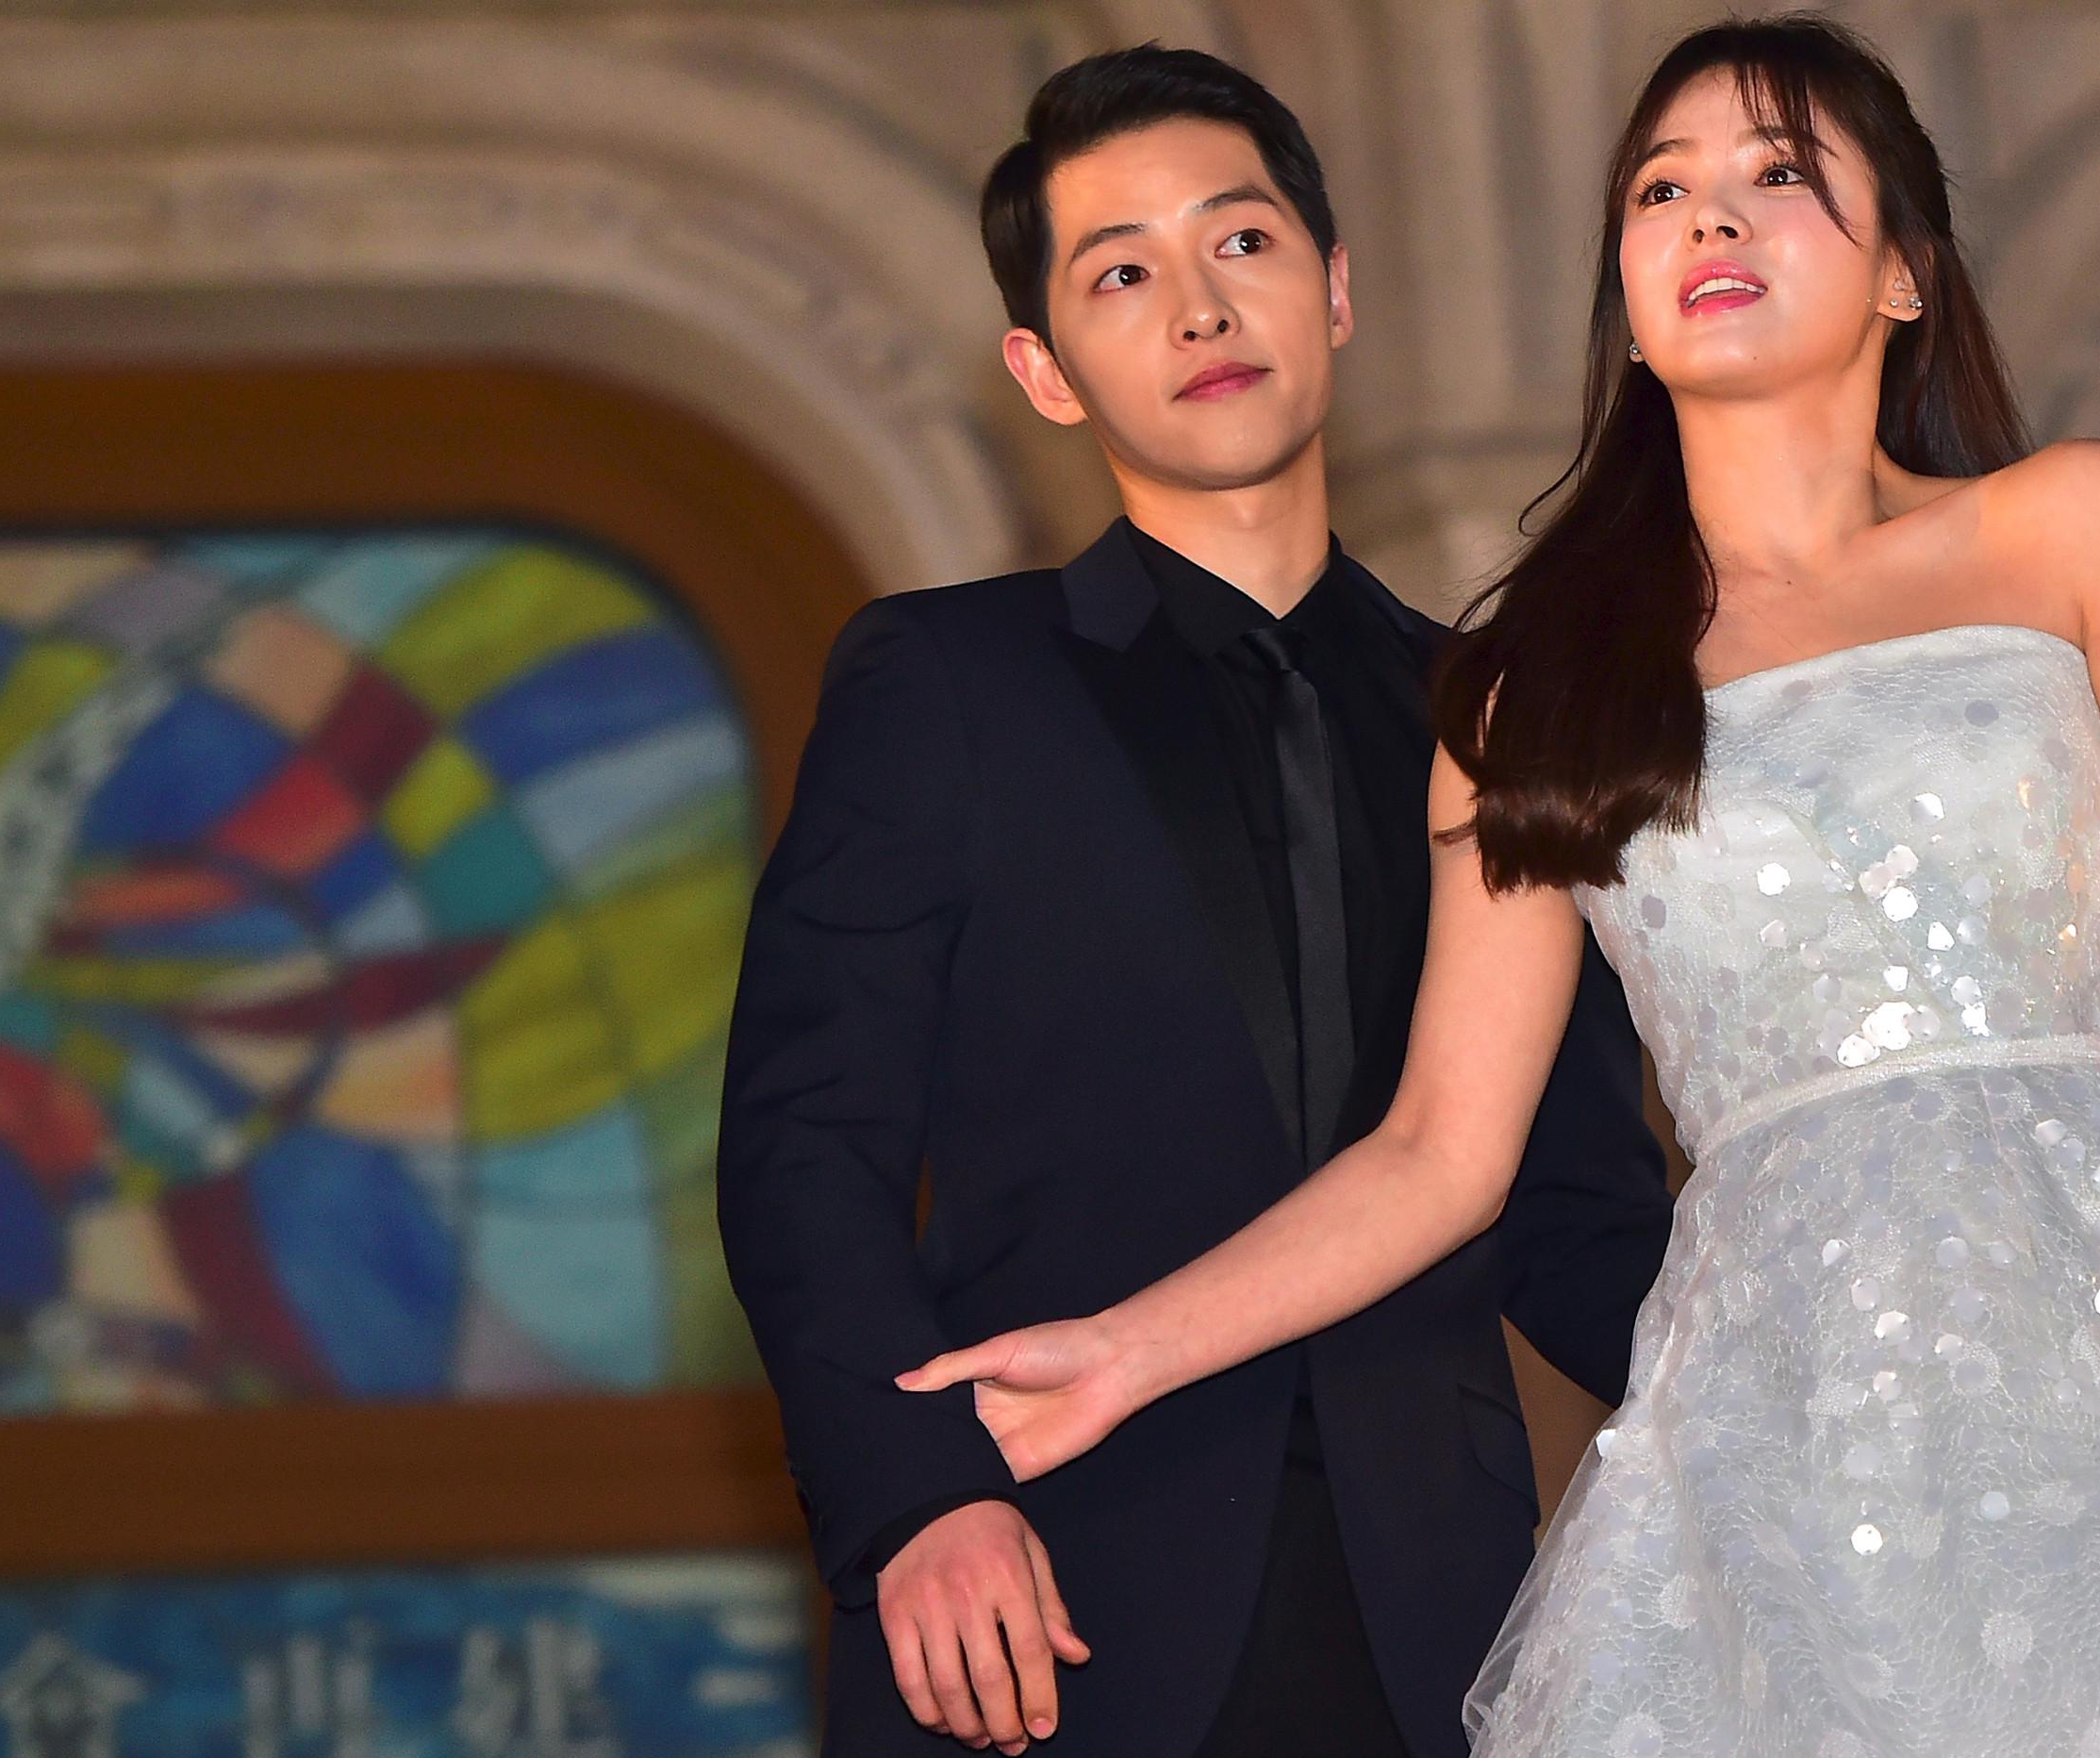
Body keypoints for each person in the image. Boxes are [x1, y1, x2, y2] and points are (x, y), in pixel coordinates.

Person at [900, 15, 2100, 1757]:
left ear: (1906, 270)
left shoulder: (2076, 527)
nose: (1713, 220)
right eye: (1665, 190)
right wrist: (1126, 1349)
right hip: (1784, 1400)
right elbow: (1441, 1155)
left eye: (1780, 177)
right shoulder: (1524, 685)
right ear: (1623, 289)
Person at [716, 44, 1677, 1758]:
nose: (1198, 308)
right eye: (1121, 274)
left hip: (1434, 1622)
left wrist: (1847, 1403)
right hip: (1045, 1593)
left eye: (1240, 244)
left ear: (1335, 285)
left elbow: (1580, 1208)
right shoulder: (944, 683)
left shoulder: (1499, 715)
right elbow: (806, 1146)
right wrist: (913, 1504)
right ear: (1047, 369)